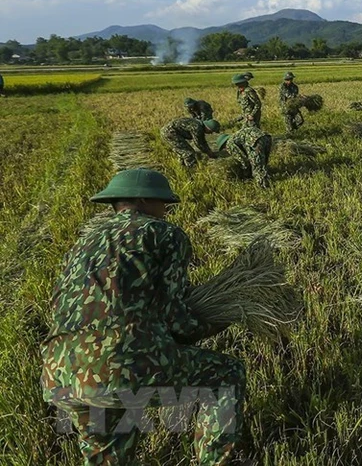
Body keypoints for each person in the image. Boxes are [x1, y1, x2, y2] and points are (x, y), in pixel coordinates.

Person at [40, 168, 245, 465]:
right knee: (227, 374)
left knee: (107, 454)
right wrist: (222, 318)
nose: (165, 210)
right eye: (163, 203)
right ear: (142, 200)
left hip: (61, 371)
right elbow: (175, 318)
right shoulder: (165, 233)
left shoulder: (82, 243)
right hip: (121, 364)